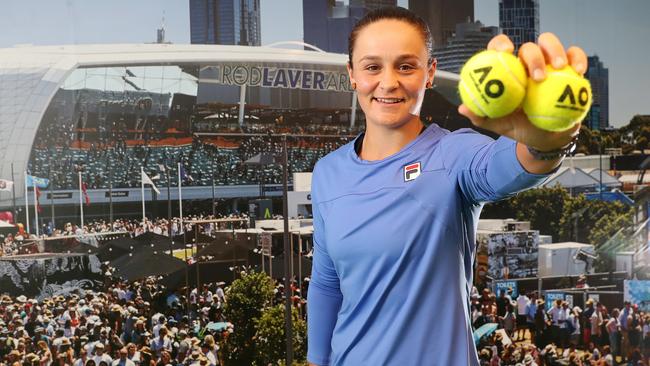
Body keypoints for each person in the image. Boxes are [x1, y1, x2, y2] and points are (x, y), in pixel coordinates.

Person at [306, 6, 587, 365]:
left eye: (406, 66)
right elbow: (327, 284)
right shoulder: (328, 172)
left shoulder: (452, 154)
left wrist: (548, 139)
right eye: (372, 66)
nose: (388, 82)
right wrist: (316, 359)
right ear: (352, 74)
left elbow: (513, 164)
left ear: (430, 74)